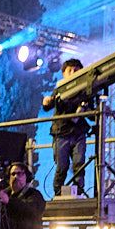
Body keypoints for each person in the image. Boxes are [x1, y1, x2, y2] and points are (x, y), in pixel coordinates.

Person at [41, 58, 91, 196]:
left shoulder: (85, 90)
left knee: (79, 164)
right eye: (70, 70)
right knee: (62, 166)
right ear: (64, 73)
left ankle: (78, 193)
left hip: (78, 132)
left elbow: (92, 115)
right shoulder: (59, 89)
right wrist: (46, 102)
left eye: (76, 70)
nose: (73, 72)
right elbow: (47, 106)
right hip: (61, 132)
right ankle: (58, 194)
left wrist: (85, 109)